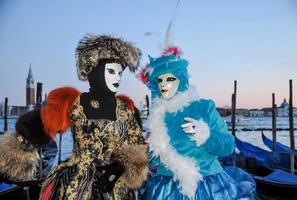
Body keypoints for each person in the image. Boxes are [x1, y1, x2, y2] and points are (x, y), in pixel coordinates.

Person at [0, 34, 148, 200]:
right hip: (77, 185)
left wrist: (123, 166)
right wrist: (9, 161)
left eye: (120, 73)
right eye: (111, 71)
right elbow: (33, 129)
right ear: (95, 72)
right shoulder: (73, 103)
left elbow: (138, 145)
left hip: (116, 186)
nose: (117, 78)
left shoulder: (125, 108)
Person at [139, 47, 255, 200]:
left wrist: (205, 135)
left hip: (205, 186)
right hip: (164, 188)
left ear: (182, 79)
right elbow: (155, 155)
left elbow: (228, 146)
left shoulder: (203, 107)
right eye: (160, 80)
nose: (163, 85)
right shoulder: (157, 113)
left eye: (170, 79)